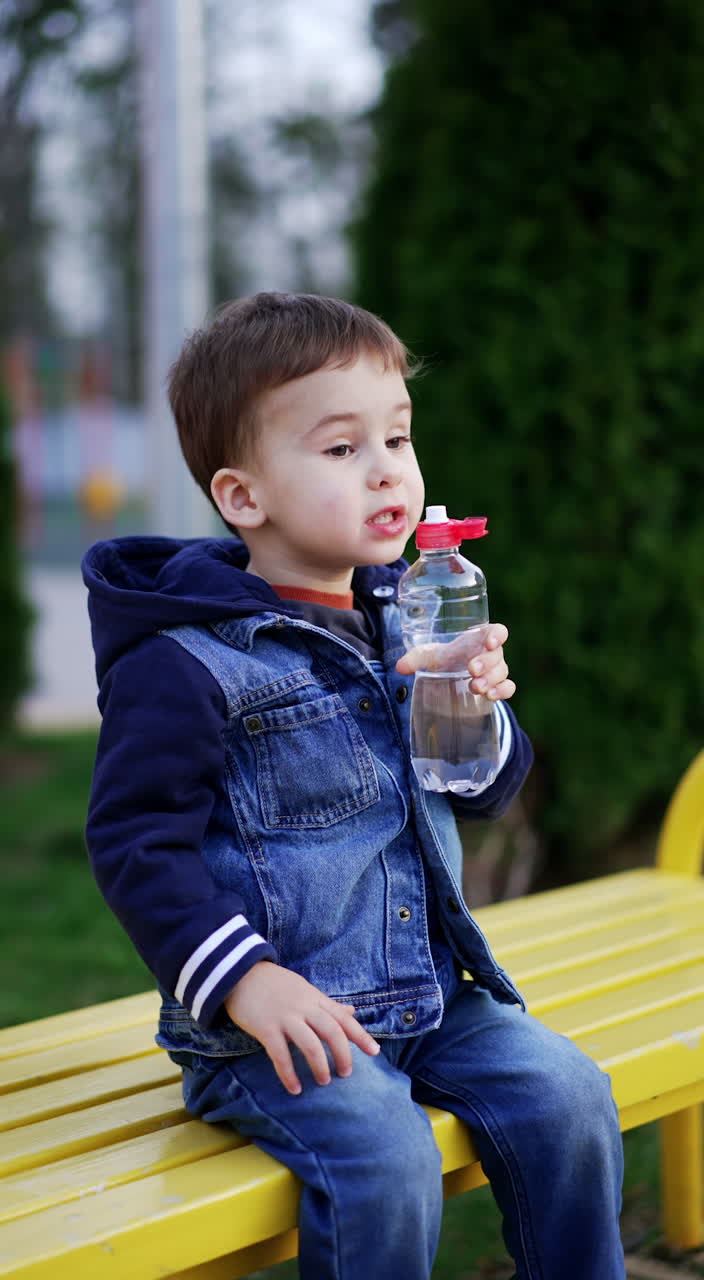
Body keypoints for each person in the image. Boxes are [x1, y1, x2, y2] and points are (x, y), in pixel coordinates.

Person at [83, 291, 625, 1279]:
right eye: (341, 449)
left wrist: (471, 704)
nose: (388, 470)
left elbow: (483, 789)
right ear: (245, 496)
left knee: (572, 1099)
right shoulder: (186, 663)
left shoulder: (404, 615)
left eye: (399, 438)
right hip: (279, 1025)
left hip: (429, 993)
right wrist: (247, 982)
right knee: (386, 1157)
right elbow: (133, 841)